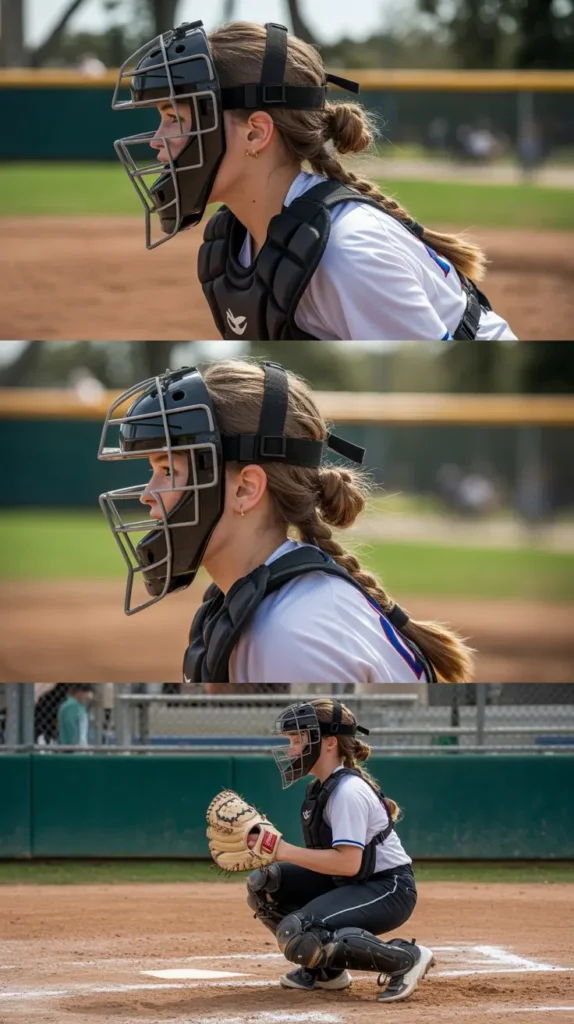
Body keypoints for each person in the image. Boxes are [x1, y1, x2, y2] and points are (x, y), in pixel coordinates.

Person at [111, 21, 516, 342]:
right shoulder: (237, 238)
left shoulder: (346, 253)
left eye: (175, 118)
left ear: (256, 133)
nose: (157, 140)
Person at [98, 359, 474, 684]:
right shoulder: (267, 600)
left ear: (246, 489)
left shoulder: (290, 635)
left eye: (168, 471)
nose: (148, 494)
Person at [245, 697, 434, 1002]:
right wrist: (266, 848)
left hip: (388, 888)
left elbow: (348, 863)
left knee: (301, 929)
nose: (292, 750)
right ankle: (326, 972)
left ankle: (406, 958)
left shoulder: (348, 792)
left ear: (330, 742)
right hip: (352, 881)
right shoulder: (320, 788)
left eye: (298, 740)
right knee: (265, 883)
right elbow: (335, 866)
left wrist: (282, 850)